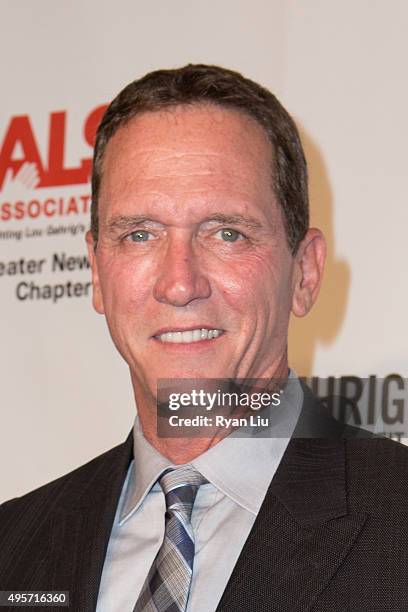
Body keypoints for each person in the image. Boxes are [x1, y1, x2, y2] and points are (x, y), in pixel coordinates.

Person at [1, 64, 408, 612]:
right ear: (97, 273)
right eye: (139, 234)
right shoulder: (14, 544)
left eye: (227, 233)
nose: (179, 283)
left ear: (305, 273)